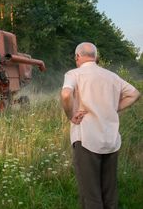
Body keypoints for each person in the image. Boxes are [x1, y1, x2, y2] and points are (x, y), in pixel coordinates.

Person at [60, 42, 140, 209]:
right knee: (109, 192)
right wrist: (114, 108)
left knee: (91, 195)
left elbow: (66, 94)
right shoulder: (112, 76)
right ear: (96, 57)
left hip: (86, 140)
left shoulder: (74, 74)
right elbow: (134, 93)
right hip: (111, 140)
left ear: (77, 57)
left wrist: (71, 115)